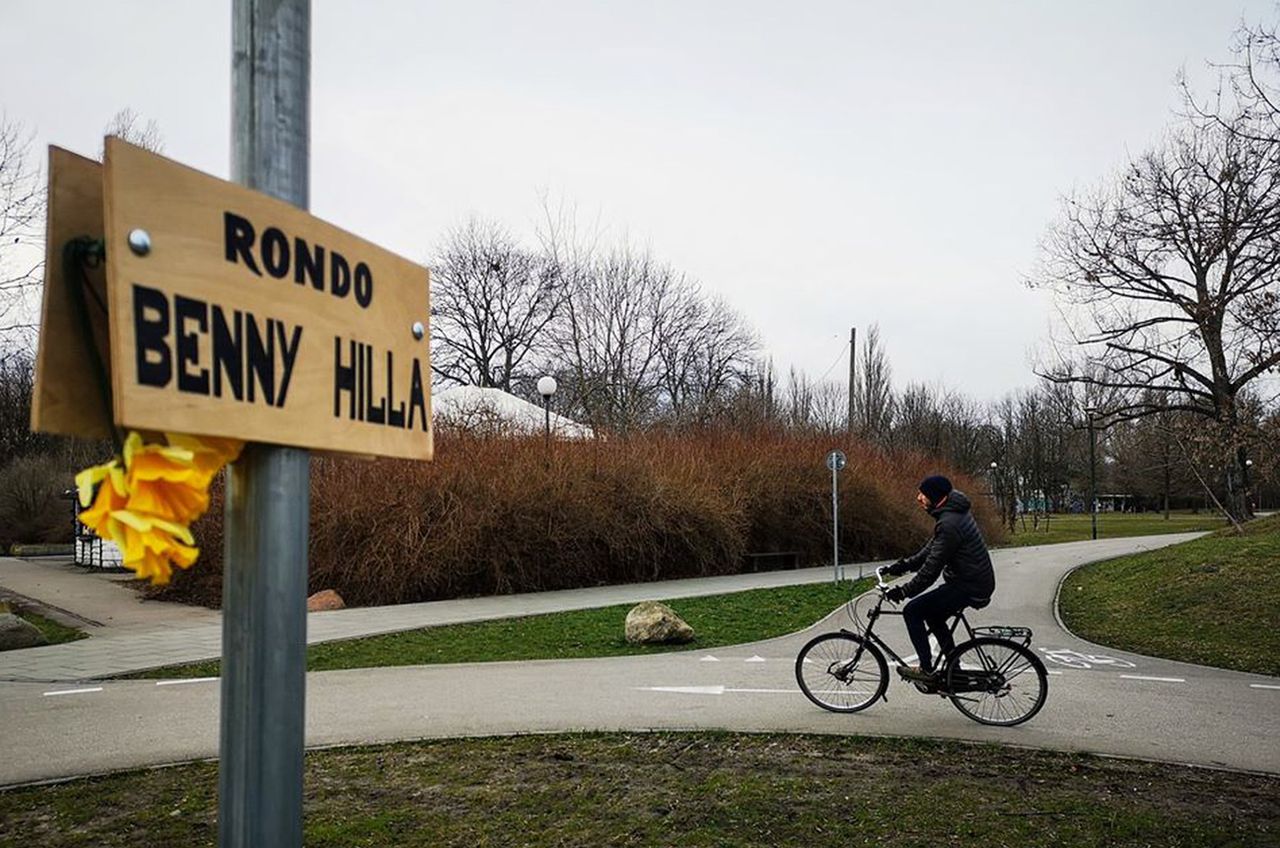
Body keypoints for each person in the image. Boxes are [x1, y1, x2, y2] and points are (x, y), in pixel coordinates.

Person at [881, 475, 995, 685]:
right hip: (970, 581)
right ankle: (956, 672)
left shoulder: (950, 523)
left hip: (969, 586)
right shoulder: (950, 515)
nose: (918, 498)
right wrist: (902, 566)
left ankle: (926, 669)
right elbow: (930, 551)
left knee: (912, 611)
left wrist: (904, 591)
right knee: (933, 617)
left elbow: (930, 571)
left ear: (934, 496)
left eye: (922, 494)